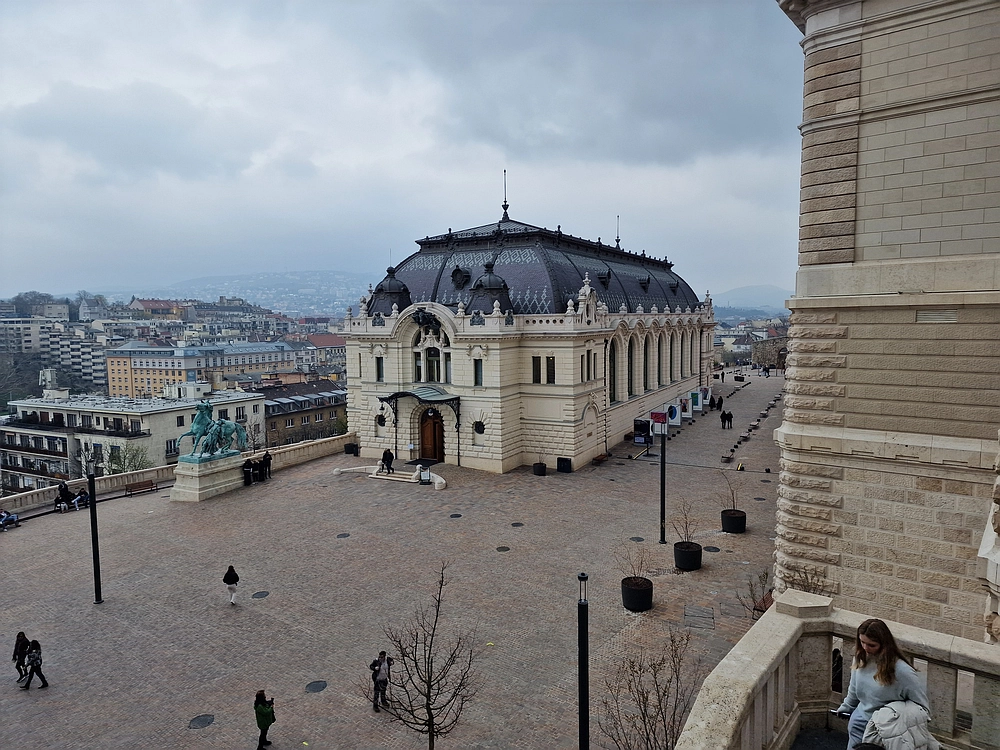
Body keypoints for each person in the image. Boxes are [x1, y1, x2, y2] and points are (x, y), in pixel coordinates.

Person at [835, 618, 930, 750]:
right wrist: (846, 707)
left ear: (885, 644)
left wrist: (891, 715)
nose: (865, 648)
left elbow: (921, 708)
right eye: (862, 642)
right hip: (858, 724)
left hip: (885, 731)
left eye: (871, 645)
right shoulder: (860, 657)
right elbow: (854, 689)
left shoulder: (903, 671)